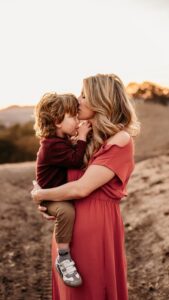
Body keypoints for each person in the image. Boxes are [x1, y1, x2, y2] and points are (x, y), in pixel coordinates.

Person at [31, 74, 140, 300]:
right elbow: (59, 177)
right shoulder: (84, 138)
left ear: (101, 100)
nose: (78, 100)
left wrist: (40, 195)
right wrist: (51, 204)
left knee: (93, 290)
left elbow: (81, 189)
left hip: (97, 228)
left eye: (84, 95)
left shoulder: (120, 140)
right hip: (68, 233)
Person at [34, 92, 91, 287]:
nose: (78, 120)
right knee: (66, 211)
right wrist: (82, 137)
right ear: (58, 121)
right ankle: (64, 257)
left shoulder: (59, 142)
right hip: (51, 199)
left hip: (57, 193)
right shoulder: (51, 146)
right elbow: (75, 160)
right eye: (73, 116)